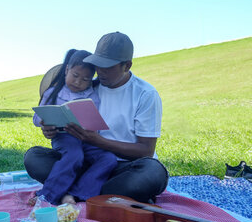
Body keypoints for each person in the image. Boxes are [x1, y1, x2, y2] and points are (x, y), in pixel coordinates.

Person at [24, 32, 169, 204]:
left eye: (107, 67)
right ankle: (95, 192)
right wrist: (49, 129)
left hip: (124, 167)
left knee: (153, 173)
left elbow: (146, 151)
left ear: (127, 66)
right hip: (85, 162)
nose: (99, 72)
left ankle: (71, 190)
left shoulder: (145, 94)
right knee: (34, 157)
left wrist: (98, 141)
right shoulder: (88, 88)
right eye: (97, 65)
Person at [31, 49, 118, 206]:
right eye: (75, 76)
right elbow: (37, 117)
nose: (78, 82)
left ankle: (76, 194)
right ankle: (47, 195)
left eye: (85, 79)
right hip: (64, 137)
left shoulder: (92, 95)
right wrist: (44, 122)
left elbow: (94, 123)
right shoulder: (52, 92)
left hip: (86, 139)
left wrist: (90, 130)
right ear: (66, 70)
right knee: (74, 155)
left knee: (109, 159)